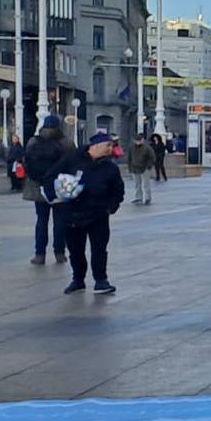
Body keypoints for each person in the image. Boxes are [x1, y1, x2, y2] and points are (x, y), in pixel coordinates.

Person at [47, 133, 125, 294]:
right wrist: (54, 198)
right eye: (108, 145)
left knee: (99, 248)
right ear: (95, 145)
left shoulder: (110, 167)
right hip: (72, 213)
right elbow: (50, 177)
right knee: (75, 250)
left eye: (112, 146)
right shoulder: (72, 159)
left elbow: (118, 189)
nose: (111, 149)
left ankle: (101, 280)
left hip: (98, 214)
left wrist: (111, 207)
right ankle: (78, 279)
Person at [22, 114, 73, 265]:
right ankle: (59, 253)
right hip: (59, 188)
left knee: (41, 221)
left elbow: (26, 161)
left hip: (38, 188)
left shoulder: (32, 141)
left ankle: (39, 254)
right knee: (59, 221)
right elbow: (73, 163)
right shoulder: (67, 143)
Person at [124, 133, 158, 205]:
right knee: (137, 184)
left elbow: (152, 158)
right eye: (136, 140)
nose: (138, 142)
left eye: (139, 140)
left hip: (145, 168)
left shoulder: (147, 148)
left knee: (146, 184)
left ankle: (148, 198)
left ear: (143, 140)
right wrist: (130, 168)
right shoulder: (131, 147)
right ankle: (138, 198)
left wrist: (148, 166)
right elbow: (129, 158)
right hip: (135, 168)